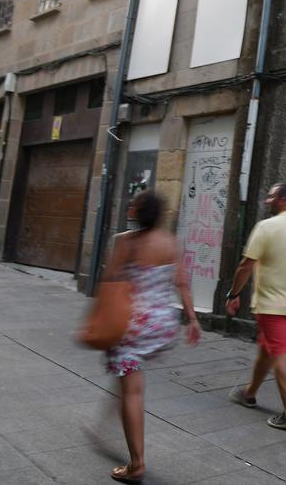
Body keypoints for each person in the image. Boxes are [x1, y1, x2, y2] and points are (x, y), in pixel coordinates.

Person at [106, 190, 201, 484]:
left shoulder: (125, 241)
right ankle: (118, 399)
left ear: (137, 212)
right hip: (162, 325)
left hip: (132, 326)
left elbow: (111, 281)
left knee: (132, 390)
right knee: (128, 379)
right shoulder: (171, 243)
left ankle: (136, 464)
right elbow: (182, 283)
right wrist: (193, 319)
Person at [226, 183, 286, 431]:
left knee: (279, 352)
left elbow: (246, 265)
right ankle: (249, 392)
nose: (267, 201)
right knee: (267, 348)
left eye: (271, 197)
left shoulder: (267, 227)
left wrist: (233, 294)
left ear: (283, 199)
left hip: (272, 303)